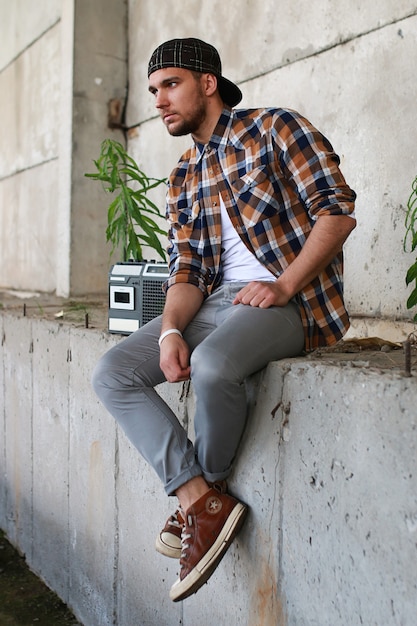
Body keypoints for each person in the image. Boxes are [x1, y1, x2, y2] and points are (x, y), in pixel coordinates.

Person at [92, 37, 356, 602]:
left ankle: (205, 495)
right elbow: (186, 269)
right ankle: (198, 499)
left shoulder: (275, 129)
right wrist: (167, 331)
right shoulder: (184, 175)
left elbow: (337, 211)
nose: (159, 101)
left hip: (292, 301)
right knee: (112, 372)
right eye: (153, 90)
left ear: (206, 83)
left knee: (212, 364)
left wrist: (283, 283)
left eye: (170, 86)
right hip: (216, 304)